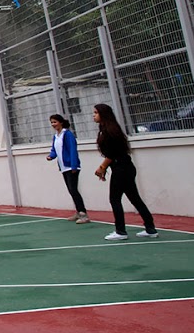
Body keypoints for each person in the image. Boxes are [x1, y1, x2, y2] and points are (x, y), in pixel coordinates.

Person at [93, 103, 158, 241]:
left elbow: (112, 153)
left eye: (96, 113)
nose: (94, 115)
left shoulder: (110, 130)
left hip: (122, 168)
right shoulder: (105, 129)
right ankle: (150, 228)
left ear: (103, 114)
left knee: (115, 199)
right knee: (134, 198)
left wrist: (102, 167)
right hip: (123, 167)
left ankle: (121, 231)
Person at [46, 114, 89, 224]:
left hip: (71, 166)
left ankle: (83, 214)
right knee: (71, 190)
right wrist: (51, 156)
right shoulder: (56, 136)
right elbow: (54, 149)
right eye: (51, 122)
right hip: (64, 167)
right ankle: (78, 211)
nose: (53, 124)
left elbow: (72, 149)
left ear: (61, 122)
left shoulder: (67, 134)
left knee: (74, 190)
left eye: (55, 122)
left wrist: (74, 165)